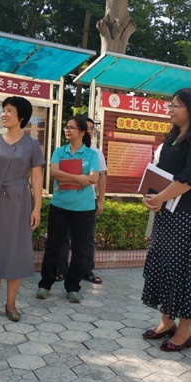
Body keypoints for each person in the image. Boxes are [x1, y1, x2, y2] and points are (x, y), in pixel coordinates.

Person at [141, 88, 191, 352]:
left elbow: (189, 179)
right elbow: (161, 173)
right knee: (164, 267)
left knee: (185, 271)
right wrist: (152, 196)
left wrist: (160, 197)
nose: (170, 109)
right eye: (170, 105)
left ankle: (185, 332)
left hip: (187, 216)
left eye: (176, 105)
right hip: (165, 212)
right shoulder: (172, 138)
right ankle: (166, 322)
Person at [0, 96, 44, 322]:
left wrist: (37, 208)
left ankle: (11, 304)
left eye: (9, 110)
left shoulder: (32, 145)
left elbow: (37, 177)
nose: (3, 114)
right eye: (3, 110)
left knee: (16, 250)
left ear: (21, 116)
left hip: (20, 200)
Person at [36, 115, 99, 303]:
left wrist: (68, 177)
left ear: (82, 132)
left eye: (71, 127)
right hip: (60, 206)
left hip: (84, 208)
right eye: (66, 127)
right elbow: (54, 172)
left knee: (80, 249)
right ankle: (45, 284)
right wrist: (79, 179)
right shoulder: (59, 151)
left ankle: (72, 287)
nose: (67, 130)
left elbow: (94, 178)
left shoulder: (91, 154)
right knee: (53, 247)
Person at [56, 117, 107, 284]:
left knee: (87, 238)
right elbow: (56, 173)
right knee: (63, 237)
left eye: (92, 128)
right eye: (87, 127)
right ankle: (61, 270)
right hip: (66, 199)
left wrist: (101, 200)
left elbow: (101, 178)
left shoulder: (96, 153)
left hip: (87, 202)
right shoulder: (64, 150)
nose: (90, 131)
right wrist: (79, 179)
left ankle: (86, 270)